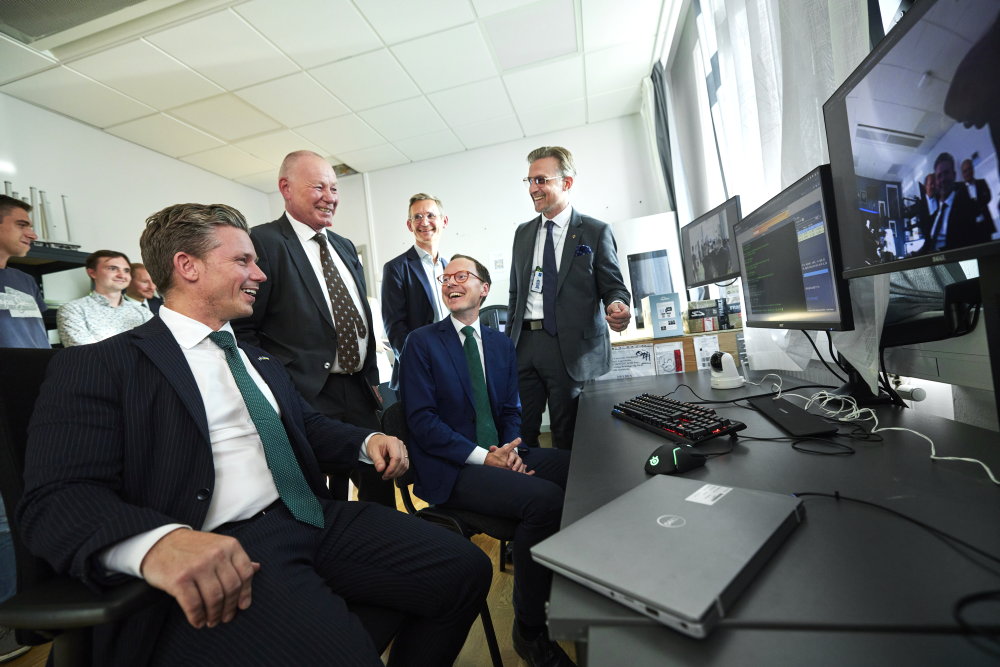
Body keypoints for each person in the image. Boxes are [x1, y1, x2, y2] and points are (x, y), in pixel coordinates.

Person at [18, 203, 490, 667]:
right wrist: (158, 543)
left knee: (465, 569)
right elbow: (56, 499)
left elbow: (305, 426)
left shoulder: (255, 357)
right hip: (225, 543)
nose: (260, 274)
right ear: (188, 266)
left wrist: (365, 443)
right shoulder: (101, 365)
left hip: (308, 515)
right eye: (243, 261)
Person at [399, 254, 573, 667]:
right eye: (446, 277)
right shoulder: (421, 343)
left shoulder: (498, 343)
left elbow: (511, 409)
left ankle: (567, 589)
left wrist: (509, 451)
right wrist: (484, 457)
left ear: (484, 289)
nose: (451, 283)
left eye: (462, 276)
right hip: (453, 468)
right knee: (545, 501)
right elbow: (422, 423)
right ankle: (530, 630)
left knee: (577, 468)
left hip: (500, 453)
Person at [233, 151, 393, 507]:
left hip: (357, 388)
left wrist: (370, 378)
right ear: (285, 188)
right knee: (317, 492)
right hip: (304, 392)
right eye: (318, 186)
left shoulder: (344, 246)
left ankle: (382, 552)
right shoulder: (263, 242)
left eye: (334, 188)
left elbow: (358, 315)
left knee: (378, 476)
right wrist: (277, 385)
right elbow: (244, 330)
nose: (330, 197)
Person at [507, 146, 631, 450]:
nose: (534, 189)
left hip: (569, 348)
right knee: (521, 431)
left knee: (568, 434)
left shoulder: (594, 231)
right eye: (530, 182)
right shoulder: (523, 234)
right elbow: (515, 292)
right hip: (524, 345)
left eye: (541, 180)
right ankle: (533, 493)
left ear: (567, 183)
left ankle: (570, 496)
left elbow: (613, 285)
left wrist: (617, 305)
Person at [0, 194, 45, 663]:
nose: (31, 232)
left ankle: (32, 609)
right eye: (21, 223)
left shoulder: (24, 280)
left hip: (30, 404)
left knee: (28, 506)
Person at [381, 193, 450, 391]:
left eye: (430, 215)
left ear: (444, 221)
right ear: (409, 225)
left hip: (451, 365)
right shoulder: (396, 268)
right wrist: (418, 366)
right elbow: (395, 328)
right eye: (417, 217)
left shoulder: (450, 268)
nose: (424, 222)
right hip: (419, 372)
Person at [57, 250, 152, 346]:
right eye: (113, 269)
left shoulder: (142, 312)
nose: (122, 275)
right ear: (92, 273)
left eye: (126, 270)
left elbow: (158, 349)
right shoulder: (73, 310)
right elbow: (85, 354)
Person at [925, 152, 988, 253]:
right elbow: (930, 243)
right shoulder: (937, 212)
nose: (943, 179)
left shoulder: (967, 207)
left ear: (954, 175)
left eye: (946, 173)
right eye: (939, 176)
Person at [960, 158, 996, 236]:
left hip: (986, 224)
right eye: (965, 171)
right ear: (962, 174)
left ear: (973, 170)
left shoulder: (982, 183)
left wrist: (975, 203)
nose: (967, 173)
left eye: (969, 169)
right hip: (971, 228)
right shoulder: (960, 191)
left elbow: (988, 197)